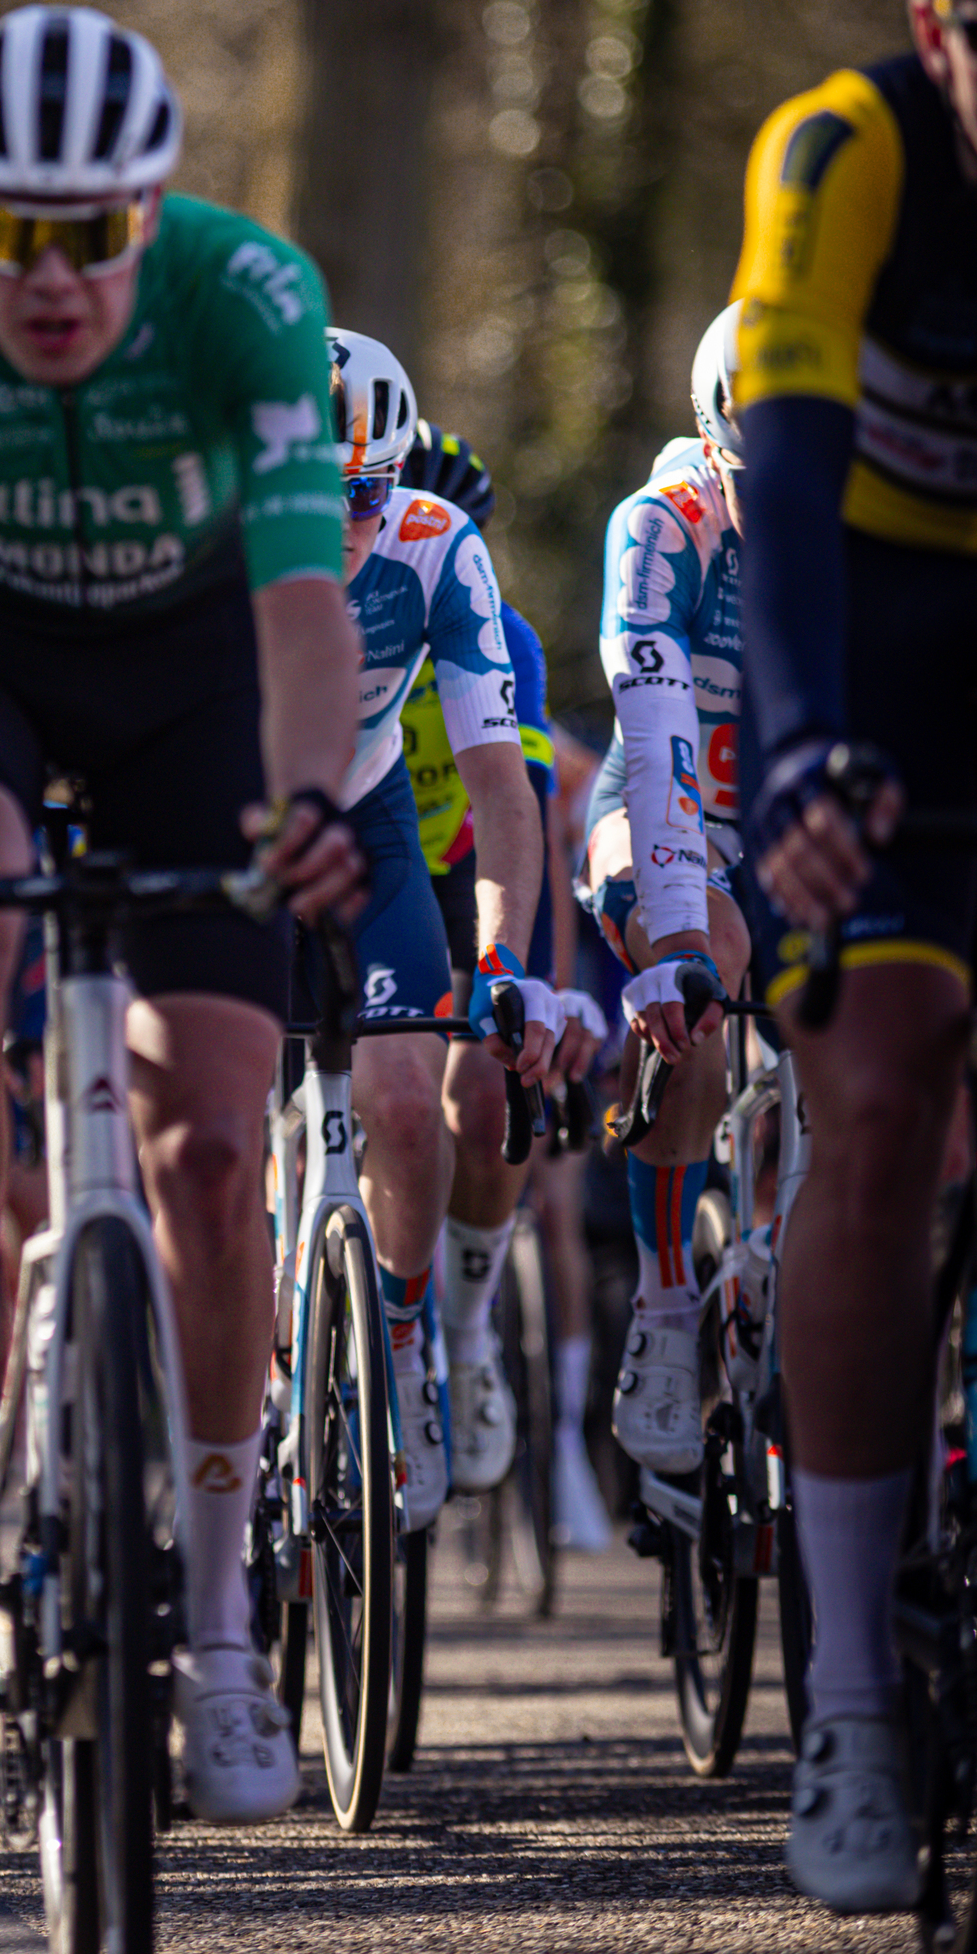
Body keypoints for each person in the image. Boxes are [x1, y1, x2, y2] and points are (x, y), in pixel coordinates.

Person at [0, 3, 376, 1824]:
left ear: (153, 212)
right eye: (12, 232)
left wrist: (298, 808)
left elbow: (300, 610)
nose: (54, 280)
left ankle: (218, 1637)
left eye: (96, 232)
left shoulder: (248, 296)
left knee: (211, 1151)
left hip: (196, 672)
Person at [733, 0, 977, 1913]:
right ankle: (855, 1690)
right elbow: (774, 497)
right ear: (929, 21)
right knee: (873, 1090)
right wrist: (794, 760)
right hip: (859, 604)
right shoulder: (836, 156)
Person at [319, 338, 559, 1538]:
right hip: (227, 825)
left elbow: (504, 795)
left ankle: (405, 1347)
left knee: (408, 1107)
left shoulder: (431, 544)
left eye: (362, 493)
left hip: (365, 824)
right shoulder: (201, 536)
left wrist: (509, 963)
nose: (338, 523)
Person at [392, 422, 606, 1528]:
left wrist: (545, 993)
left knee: (484, 1092)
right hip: (344, 861)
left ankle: (466, 1338)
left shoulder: (498, 638)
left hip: (459, 870)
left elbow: (529, 841)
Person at [581, 310, 754, 1484]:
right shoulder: (663, 523)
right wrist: (683, 922)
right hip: (660, 810)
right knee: (707, 974)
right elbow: (653, 735)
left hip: (797, 824)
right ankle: (661, 1298)